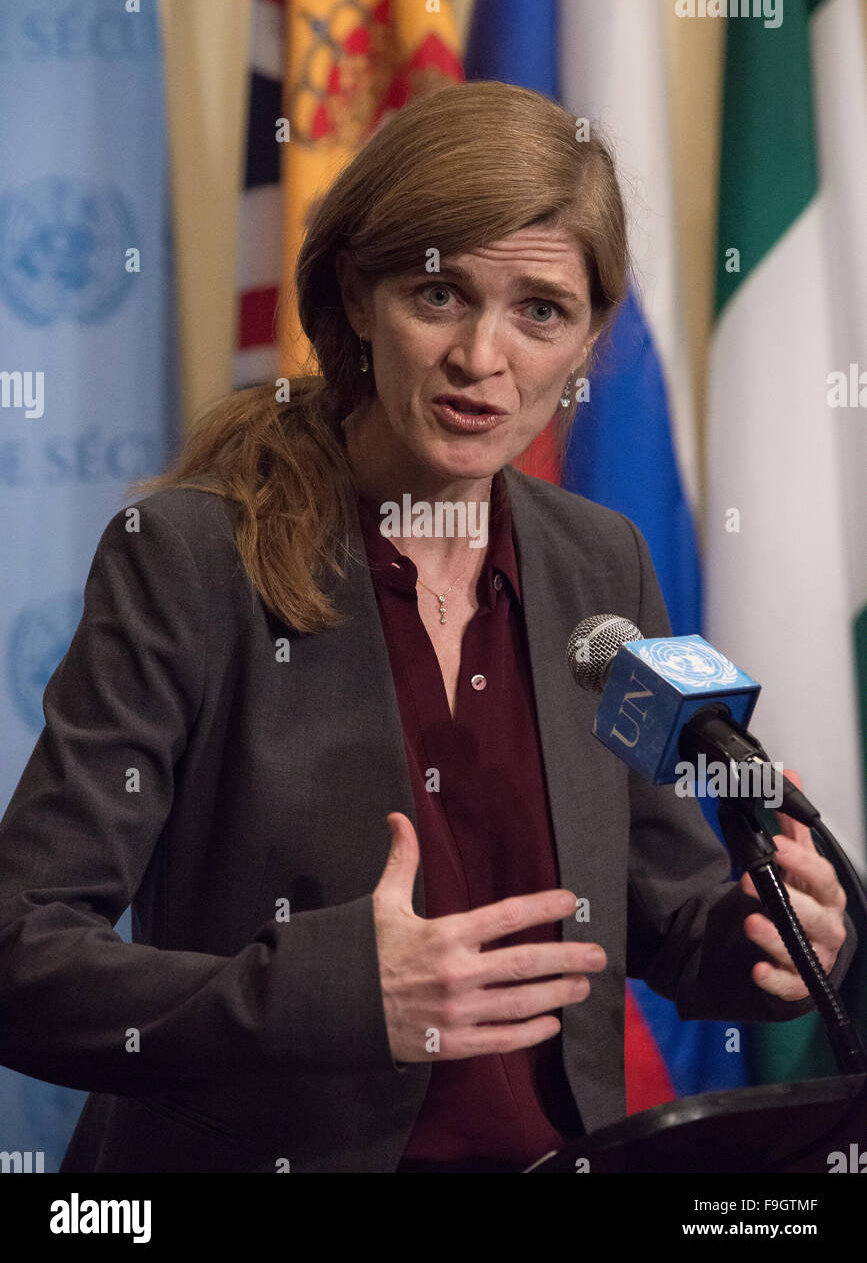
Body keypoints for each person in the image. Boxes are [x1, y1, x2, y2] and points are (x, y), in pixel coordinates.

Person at [0, 81, 854, 1174]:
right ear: (358, 296)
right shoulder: (186, 560)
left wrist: (760, 936)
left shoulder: (602, 563)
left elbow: (660, 899)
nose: (482, 360)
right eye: (439, 295)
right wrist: (337, 992)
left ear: (587, 338)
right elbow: (24, 957)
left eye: (540, 311)